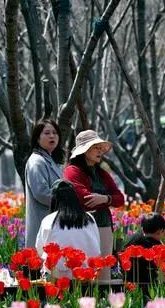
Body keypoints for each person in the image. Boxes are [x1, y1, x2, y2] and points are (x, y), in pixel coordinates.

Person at [64, 129, 125, 281]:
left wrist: (105, 199)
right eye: (95, 147)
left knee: (103, 270)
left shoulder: (102, 174)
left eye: (100, 148)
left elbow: (120, 199)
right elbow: (85, 198)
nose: (99, 151)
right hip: (82, 225)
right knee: (84, 269)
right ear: (84, 151)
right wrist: (106, 199)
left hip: (104, 225)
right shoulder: (72, 171)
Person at [35, 179, 101, 279]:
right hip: (85, 275)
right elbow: (96, 248)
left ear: (54, 199)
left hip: (56, 275)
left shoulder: (49, 220)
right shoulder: (89, 218)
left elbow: (40, 249)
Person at [25, 120, 63, 248]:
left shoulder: (50, 160)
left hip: (54, 221)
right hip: (43, 221)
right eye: (47, 133)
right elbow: (41, 193)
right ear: (37, 138)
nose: (52, 136)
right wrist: (67, 201)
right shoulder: (37, 162)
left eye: (54, 133)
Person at [123, 213, 165, 284]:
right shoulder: (156, 246)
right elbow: (163, 271)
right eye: (163, 231)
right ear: (159, 231)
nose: (164, 234)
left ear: (143, 228)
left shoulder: (133, 239)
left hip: (128, 282)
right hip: (148, 283)